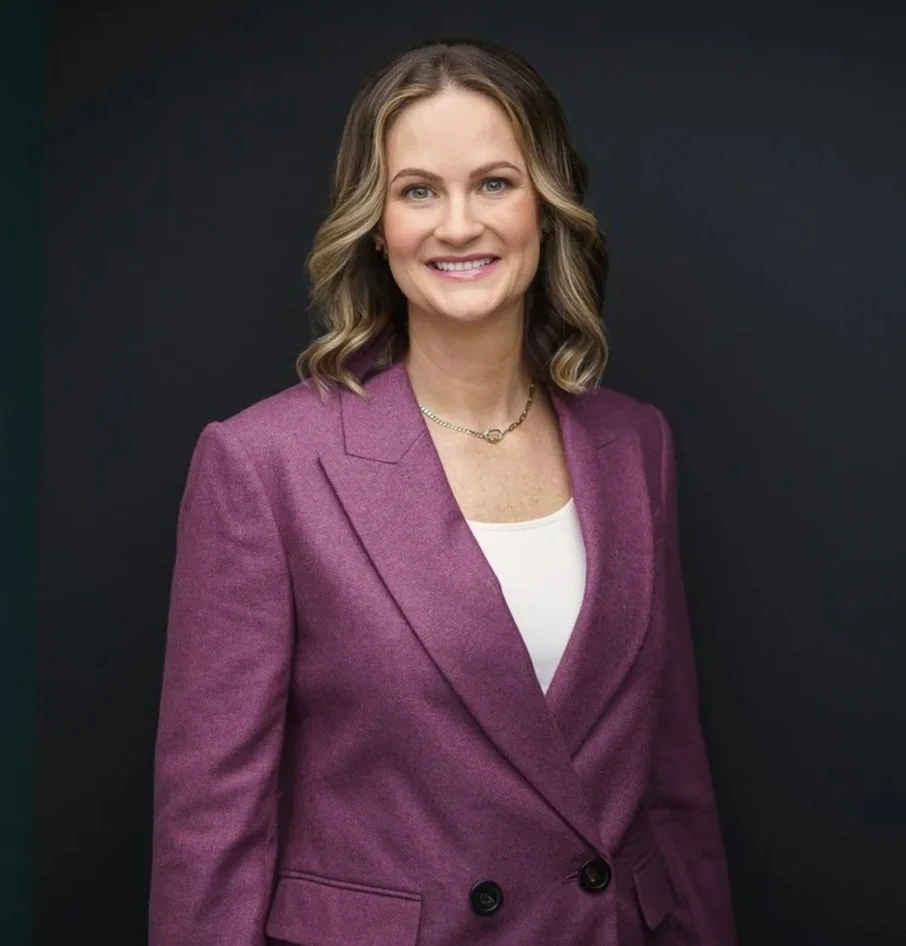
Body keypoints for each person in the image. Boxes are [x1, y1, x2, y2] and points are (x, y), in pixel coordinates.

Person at [148, 38, 737, 946]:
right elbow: (210, 829)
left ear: (547, 203)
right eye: (418, 190)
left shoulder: (635, 445)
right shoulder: (264, 463)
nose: (459, 224)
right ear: (375, 224)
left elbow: (674, 785)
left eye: (495, 182)